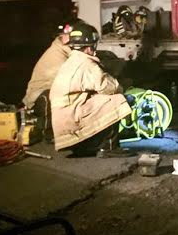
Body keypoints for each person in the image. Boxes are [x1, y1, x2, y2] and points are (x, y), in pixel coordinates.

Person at [49, 23, 133, 158]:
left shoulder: (71, 61)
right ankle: (108, 146)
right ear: (89, 47)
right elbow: (108, 87)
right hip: (71, 119)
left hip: (62, 120)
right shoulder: (86, 64)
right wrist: (122, 86)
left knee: (96, 100)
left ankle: (85, 146)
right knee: (117, 100)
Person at [22, 22, 74, 139]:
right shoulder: (58, 52)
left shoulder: (61, 48)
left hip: (46, 91)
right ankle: (49, 132)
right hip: (39, 97)